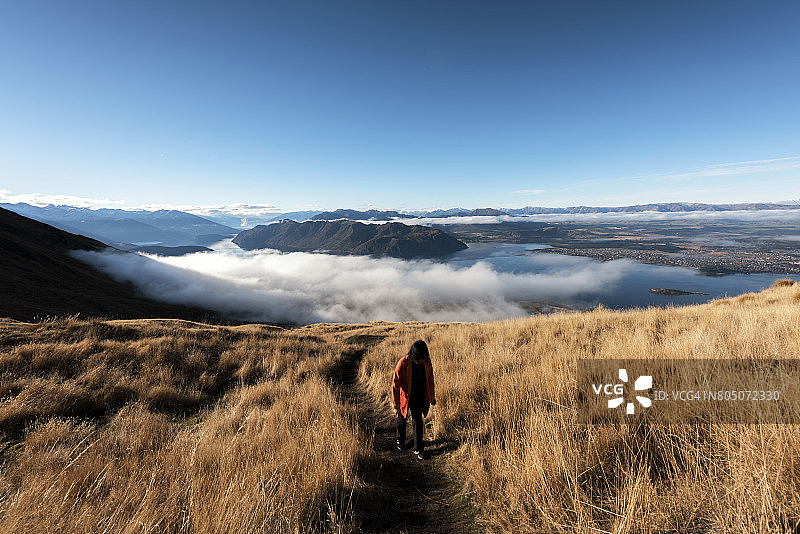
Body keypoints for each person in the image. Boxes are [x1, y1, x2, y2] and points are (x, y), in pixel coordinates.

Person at [391, 339, 436, 460]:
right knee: (401, 417)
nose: (419, 361)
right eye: (417, 358)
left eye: (422, 358)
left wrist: (432, 396)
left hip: (419, 394)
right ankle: (400, 440)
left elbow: (430, 379)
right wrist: (395, 404)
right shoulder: (403, 363)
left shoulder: (426, 362)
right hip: (405, 396)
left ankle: (418, 449)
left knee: (418, 420)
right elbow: (395, 384)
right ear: (413, 355)